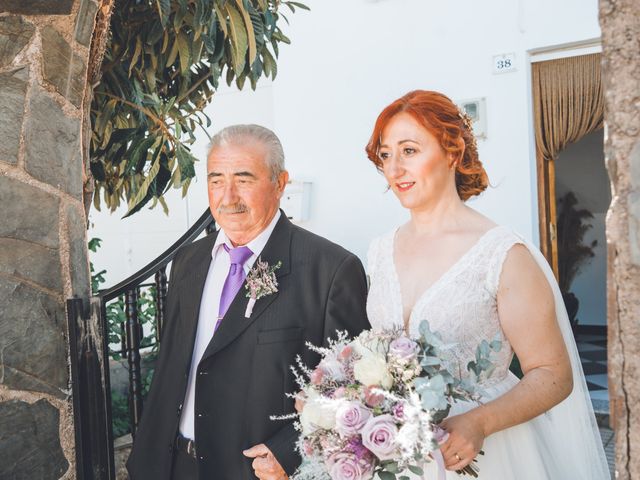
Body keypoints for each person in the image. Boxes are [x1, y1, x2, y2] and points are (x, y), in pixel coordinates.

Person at [364, 90, 610, 479]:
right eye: (385, 154)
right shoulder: (379, 250)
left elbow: (553, 374)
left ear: (452, 151)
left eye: (409, 150)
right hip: (401, 452)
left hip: (491, 454)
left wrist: (480, 422)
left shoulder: (502, 255)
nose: (394, 169)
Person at [126, 124, 370, 480]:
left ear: (280, 183)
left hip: (257, 471)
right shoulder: (188, 262)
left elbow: (353, 388)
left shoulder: (330, 270)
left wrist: (290, 451)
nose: (227, 197)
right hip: (173, 465)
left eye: (243, 179)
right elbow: (173, 364)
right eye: (215, 180)